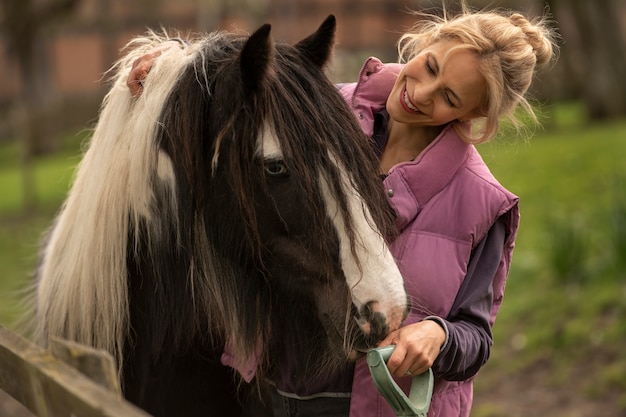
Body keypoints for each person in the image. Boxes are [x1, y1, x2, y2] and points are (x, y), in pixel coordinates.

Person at [126, 3, 557, 416]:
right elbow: (234, 90)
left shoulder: (482, 202)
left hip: (381, 407)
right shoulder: (315, 112)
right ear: (425, 42)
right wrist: (168, 65)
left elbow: (476, 337)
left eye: (448, 96)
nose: (421, 93)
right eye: (430, 66)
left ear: (475, 113)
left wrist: (439, 335)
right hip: (268, 395)